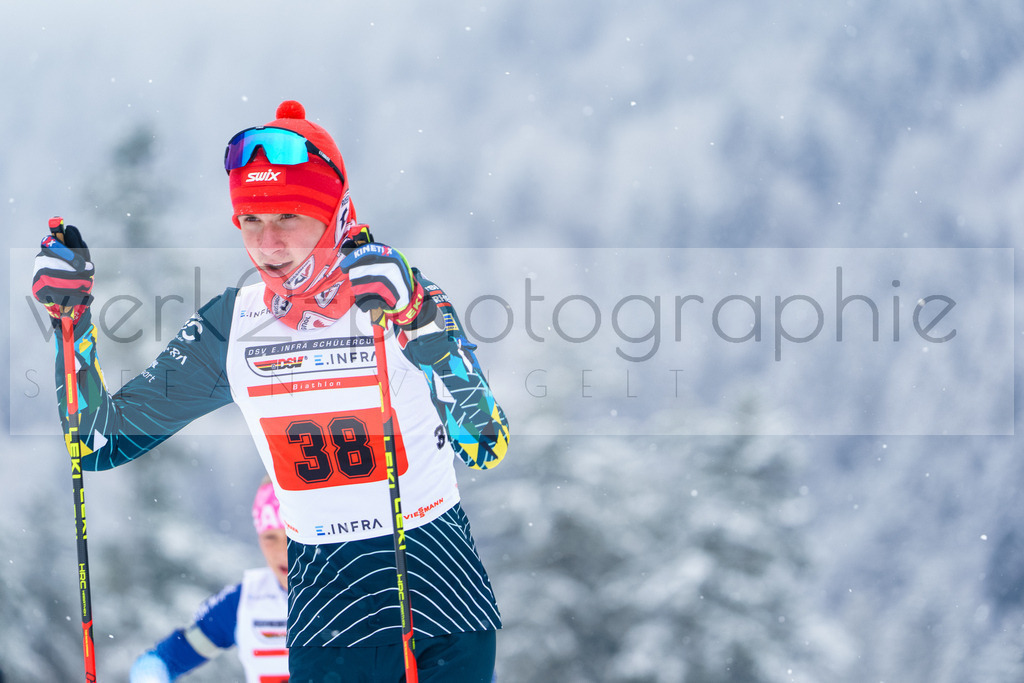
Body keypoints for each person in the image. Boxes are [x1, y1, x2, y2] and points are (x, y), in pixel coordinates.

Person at [32, 100, 510, 682]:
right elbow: (98, 440)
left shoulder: (401, 296)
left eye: (288, 217)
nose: (268, 243)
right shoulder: (233, 324)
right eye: (251, 222)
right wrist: (71, 324)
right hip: (325, 618)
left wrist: (418, 320)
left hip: (438, 598)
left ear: (333, 214)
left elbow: (485, 442)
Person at [130, 478, 290, 683]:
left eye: (292, 537)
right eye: (270, 537)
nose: (283, 551)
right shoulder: (245, 602)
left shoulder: (344, 590)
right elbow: (163, 661)